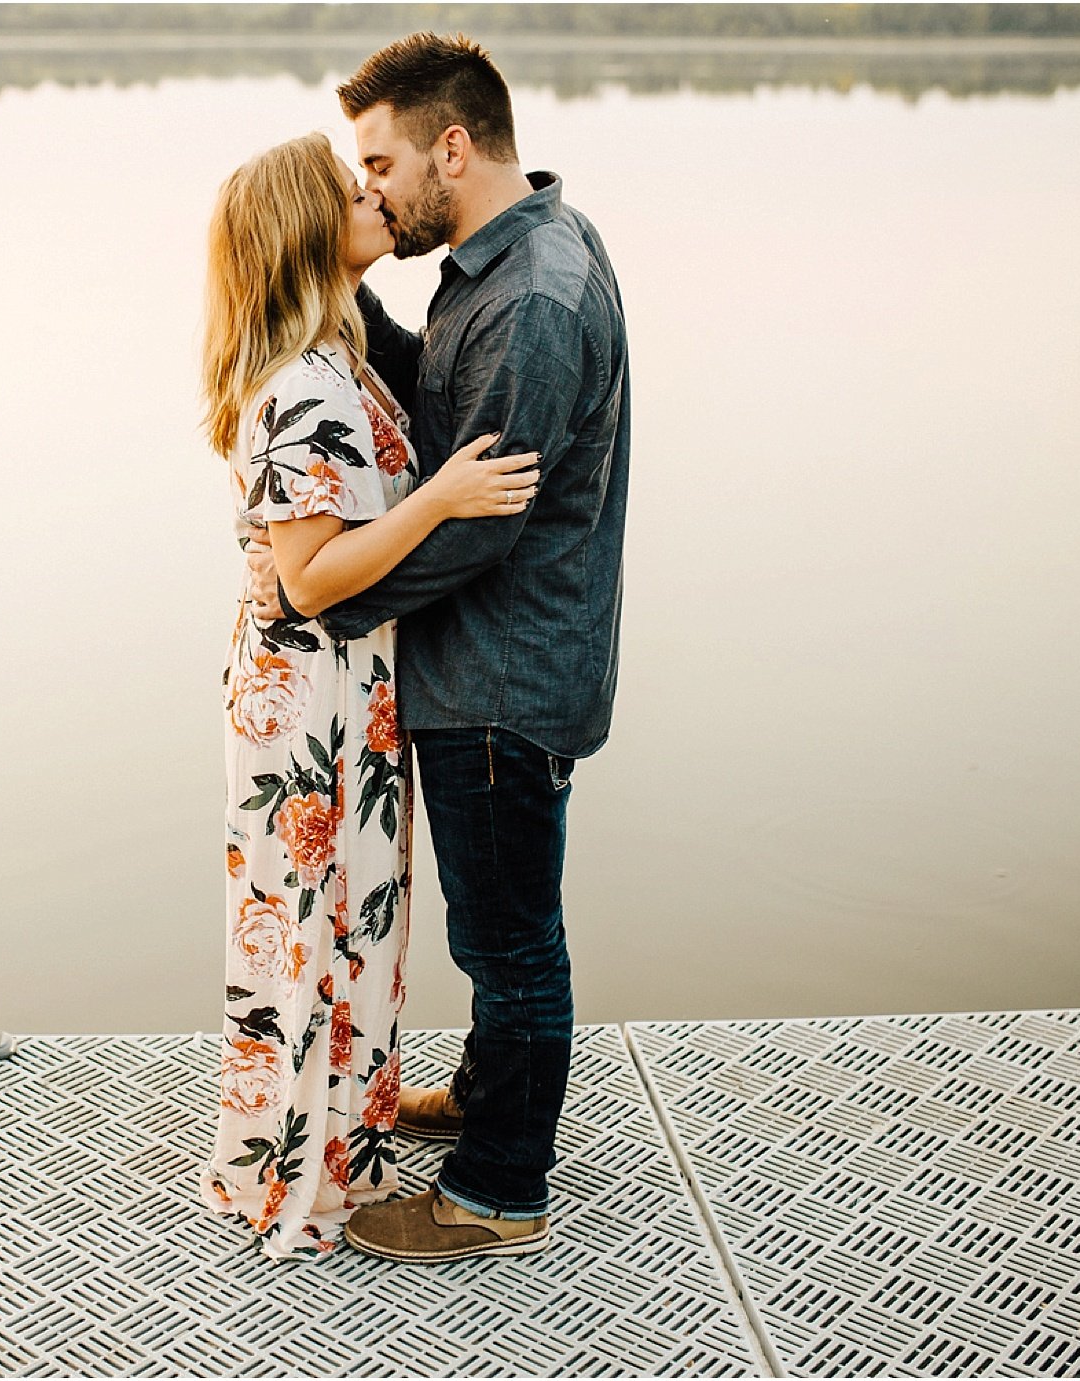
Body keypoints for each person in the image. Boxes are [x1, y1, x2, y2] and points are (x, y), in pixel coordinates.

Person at [246, 32, 631, 1264]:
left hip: (500, 673)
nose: (371, 188)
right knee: (498, 918)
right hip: (497, 659)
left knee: (510, 936)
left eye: (378, 163)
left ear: (449, 148)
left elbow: (480, 521)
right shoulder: (500, 257)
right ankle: (485, 1091)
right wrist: (329, 278)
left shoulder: (531, 297)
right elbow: (439, 415)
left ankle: (498, 1188)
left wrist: (322, 603)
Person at [194, 130, 542, 1261]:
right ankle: (302, 1168)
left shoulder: (337, 349)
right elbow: (311, 575)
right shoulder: (300, 384)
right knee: (317, 926)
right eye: (353, 191)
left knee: (347, 924)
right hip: (309, 703)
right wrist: (440, 497)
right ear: (307, 229)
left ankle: (335, 1139)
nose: (374, 196)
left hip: (347, 690)